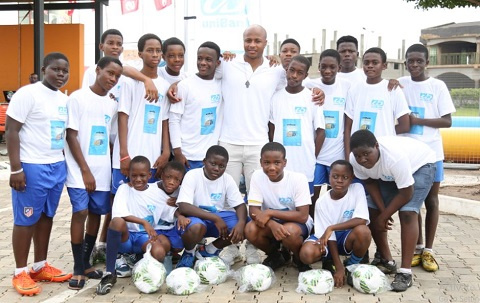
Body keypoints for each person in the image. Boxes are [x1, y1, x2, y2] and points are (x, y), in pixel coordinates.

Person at [83, 29, 159, 264]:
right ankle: (95, 247)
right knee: (105, 202)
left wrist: (147, 79)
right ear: (101, 45)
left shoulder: (127, 74)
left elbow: (132, 69)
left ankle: (108, 243)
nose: (115, 47)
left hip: (120, 145)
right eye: (111, 43)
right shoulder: (93, 74)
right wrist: (146, 79)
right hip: (104, 147)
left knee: (119, 201)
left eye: (119, 43)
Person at [6, 52, 72, 295]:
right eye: (56, 69)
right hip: (31, 166)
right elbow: (11, 131)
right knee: (26, 219)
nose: (61, 74)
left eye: (65, 71)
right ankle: (20, 272)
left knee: (46, 216)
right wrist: (16, 169)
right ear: (44, 69)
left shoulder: (63, 99)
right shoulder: (28, 94)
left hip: (56, 165)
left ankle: (40, 266)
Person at [349, 129, 436, 292]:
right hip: (388, 174)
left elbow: (406, 192)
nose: (362, 159)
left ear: (376, 146)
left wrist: (386, 215)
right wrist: (383, 212)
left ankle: (405, 273)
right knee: (372, 210)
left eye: (366, 154)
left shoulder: (394, 158)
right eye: (358, 155)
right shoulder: (355, 160)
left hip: (421, 165)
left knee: (408, 213)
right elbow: (370, 183)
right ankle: (388, 262)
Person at [64, 56, 123, 290]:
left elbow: (110, 138)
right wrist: (85, 170)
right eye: (109, 73)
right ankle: (78, 268)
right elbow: (71, 135)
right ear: (97, 70)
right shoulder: (78, 98)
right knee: (80, 211)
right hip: (80, 170)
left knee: (96, 214)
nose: (113, 79)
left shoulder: (111, 102)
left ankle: (87, 263)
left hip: (102, 170)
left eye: (117, 76)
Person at [96, 157, 189, 295]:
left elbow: (167, 210)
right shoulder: (123, 189)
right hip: (126, 238)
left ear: (149, 175)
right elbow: (119, 215)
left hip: (143, 238)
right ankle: (110, 272)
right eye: (134, 175)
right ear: (128, 175)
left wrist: (180, 216)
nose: (138, 179)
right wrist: (144, 222)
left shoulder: (155, 192)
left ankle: (138, 261)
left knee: (159, 252)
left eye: (142, 176)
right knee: (116, 222)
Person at [399, 43, 455, 272]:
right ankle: (418, 247)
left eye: (418, 61)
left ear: (426, 62)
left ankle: (429, 251)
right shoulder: (400, 83)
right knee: (412, 201)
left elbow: (447, 121)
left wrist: (417, 121)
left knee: (431, 201)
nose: (414, 65)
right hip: (407, 154)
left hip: (432, 154)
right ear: (405, 62)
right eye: (410, 61)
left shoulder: (437, 86)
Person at [111, 33, 171, 196]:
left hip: (152, 159)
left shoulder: (165, 86)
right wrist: (123, 155)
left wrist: (166, 152)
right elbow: (123, 118)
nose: (155, 54)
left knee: (147, 205)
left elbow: (164, 121)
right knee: (120, 206)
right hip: (128, 157)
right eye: (150, 50)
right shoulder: (129, 82)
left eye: (158, 51)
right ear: (140, 54)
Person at [299, 160, 371, 288]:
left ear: (351, 179)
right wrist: (339, 268)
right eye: (335, 176)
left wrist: (332, 227)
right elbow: (329, 237)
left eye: (345, 177)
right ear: (329, 177)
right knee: (306, 254)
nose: (339, 180)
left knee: (363, 231)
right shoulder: (322, 202)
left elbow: (361, 219)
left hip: (345, 236)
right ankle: (329, 260)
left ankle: (351, 265)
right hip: (326, 238)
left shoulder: (357, 189)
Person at [174, 145, 248, 268]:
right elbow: (184, 206)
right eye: (213, 164)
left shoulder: (227, 179)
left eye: (221, 166)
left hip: (216, 220)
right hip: (195, 219)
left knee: (246, 225)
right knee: (196, 227)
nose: (216, 169)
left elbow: (240, 205)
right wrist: (215, 218)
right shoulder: (192, 175)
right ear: (204, 162)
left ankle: (209, 250)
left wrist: (240, 223)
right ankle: (189, 253)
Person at [245, 142, 313, 272]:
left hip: (296, 223)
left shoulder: (298, 179)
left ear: (285, 162)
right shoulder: (257, 176)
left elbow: (303, 216)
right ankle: (277, 256)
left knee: (289, 231)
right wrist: (271, 224)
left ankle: (299, 258)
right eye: (266, 163)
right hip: (270, 222)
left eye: (277, 163)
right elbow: (253, 211)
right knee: (250, 230)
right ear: (260, 162)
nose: (271, 167)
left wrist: (270, 212)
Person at [269, 55, 325, 196]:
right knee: (280, 201)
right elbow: (272, 129)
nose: (294, 76)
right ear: (286, 70)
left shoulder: (312, 98)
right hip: (280, 165)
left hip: (304, 164)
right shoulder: (275, 97)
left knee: (304, 204)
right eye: (291, 70)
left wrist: (312, 155)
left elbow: (321, 132)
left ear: (305, 75)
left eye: (299, 73)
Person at [344, 47, 411, 158]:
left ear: (384, 66)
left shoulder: (393, 89)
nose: (370, 65)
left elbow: (405, 126)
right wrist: (348, 156)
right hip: (358, 154)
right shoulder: (354, 90)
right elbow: (348, 128)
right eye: (366, 62)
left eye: (375, 63)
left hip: (384, 152)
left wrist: (384, 134)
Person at [303, 49, 351, 203]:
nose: (327, 71)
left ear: (339, 68)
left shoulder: (347, 86)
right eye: (323, 66)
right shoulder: (309, 85)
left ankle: (332, 227)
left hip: (337, 155)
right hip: (315, 155)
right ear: (318, 66)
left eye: (332, 67)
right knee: (312, 198)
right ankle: (312, 227)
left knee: (335, 198)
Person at [169, 41, 222, 171]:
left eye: (208, 59)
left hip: (210, 158)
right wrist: (177, 152)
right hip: (186, 157)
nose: (203, 63)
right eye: (200, 58)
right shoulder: (185, 85)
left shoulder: (222, 85)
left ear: (218, 63)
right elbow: (174, 119)